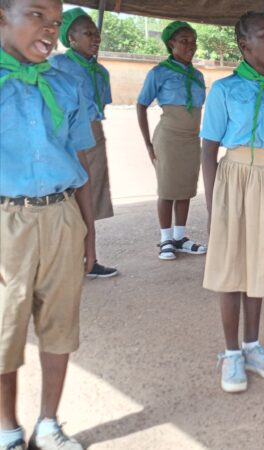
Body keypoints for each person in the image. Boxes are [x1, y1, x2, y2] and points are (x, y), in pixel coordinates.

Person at [1, 0, 98, 447]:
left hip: (61, 214)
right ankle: (8, 429)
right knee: (4, 330)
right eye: (37, 15)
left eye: (56, 22)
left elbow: (80, 157)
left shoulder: (65, 83)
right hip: (6, 220)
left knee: (61, 324)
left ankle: (49, 424)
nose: (50, 29)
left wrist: (87, 230)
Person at [200, 12, 264, 393]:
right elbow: (208, 148)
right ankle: (231, 352)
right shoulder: (224, 90)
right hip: (235, 178)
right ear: (244, 45)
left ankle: (253, 346)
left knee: (259, 265)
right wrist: (212, 207)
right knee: (231, 267)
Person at [49, 8, 118, 279]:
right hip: (65, 138)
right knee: (66, 199)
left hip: (93, 134)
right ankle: (66, 260)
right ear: (71, 38)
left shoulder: (100, 71)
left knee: (90, 197)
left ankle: (89, 258)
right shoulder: (58, 66)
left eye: (97, 33)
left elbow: (101, 105)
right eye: (88, 33)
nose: (95, 38)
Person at [137, 22, 208, 261]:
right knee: (167, 189)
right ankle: (165, 239)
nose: (191, 45)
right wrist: (148, 143)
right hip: (168, 138)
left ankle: (180, 237)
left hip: (191, 139)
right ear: (171, 44)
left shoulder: (198, 75)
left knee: (186, 189)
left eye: (193, 41)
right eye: (184, 40)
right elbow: (141, 104)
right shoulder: (159, 72)